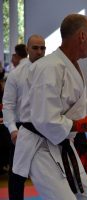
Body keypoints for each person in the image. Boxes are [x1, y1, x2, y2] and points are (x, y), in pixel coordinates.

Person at [12, 14, 87, 199]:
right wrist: (83, 125)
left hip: (62, 144)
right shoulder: (49, 67)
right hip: (39, 147)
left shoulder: (70, 65)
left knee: (85, 197)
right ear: (82, 36)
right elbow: (45, 119)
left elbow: (71, 108)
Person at [3, 35, 46, 199]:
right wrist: (13, 130)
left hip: (47, 128)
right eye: (35, 48)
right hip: (22, 130)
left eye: (43, 48)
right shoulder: (16, 74)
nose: (39, 51)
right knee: (17, 176)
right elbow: (8, 104)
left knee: (53, 174)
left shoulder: (52, 72)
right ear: (27, 50)